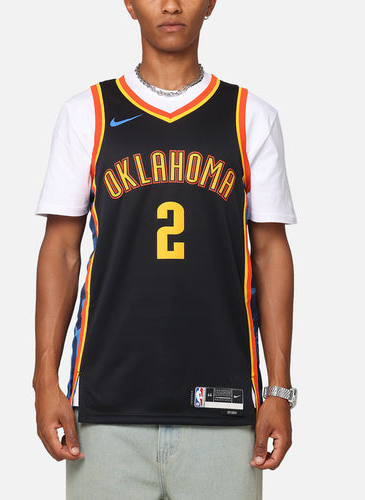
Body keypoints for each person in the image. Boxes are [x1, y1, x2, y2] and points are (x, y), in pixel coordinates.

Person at [33, 1, 297, 498]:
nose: (171, 4)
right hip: (106, 410)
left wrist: (278, 390)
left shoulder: (249, 115)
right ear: (129, 4)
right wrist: (45, 381)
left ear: (211, 3)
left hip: (225, 409)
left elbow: (270, 254)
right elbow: (62, 250)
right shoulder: (87, 112)